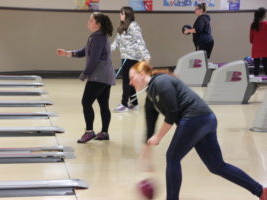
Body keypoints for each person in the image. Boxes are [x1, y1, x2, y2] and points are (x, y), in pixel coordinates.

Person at [129, 61, 267, 200]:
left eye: (132, 77)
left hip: (196, 119)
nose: (130, 82)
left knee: (172, 157)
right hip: (204, 120)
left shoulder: (161, 82)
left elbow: (172, 113)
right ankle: (261, 191)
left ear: (142, 74)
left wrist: (159, 137)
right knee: (216, 166)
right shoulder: (150, 97)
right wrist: (145, 158)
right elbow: (149, 130)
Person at [57, 12, 115, 143]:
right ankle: (104, 132)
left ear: (98, 24)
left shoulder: (98, 38)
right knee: (103, 104)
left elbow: (93, 59)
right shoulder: (97, 36)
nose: (88, 22)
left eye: (90, 20)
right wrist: (67, 53)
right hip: (105, 76)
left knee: (86, 102)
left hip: (99, 76)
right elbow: (84, 51)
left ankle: (89, 132)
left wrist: (85, 73)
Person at [111, 6, 151, 113]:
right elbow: (116, 42)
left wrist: (146, 57)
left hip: (132, 58)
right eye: (120, 13)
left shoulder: (133, 26)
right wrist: (106, 50)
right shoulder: (122, 27)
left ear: (128, 15)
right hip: (125, 57)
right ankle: (134, 103)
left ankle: (124, 104)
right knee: (131, 81)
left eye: (122, 13)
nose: (120, 15)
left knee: (126, 81)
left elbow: (140, 42)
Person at [250, 7, 267, 76]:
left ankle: (255, 84)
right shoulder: (266, 24)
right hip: (265, 50)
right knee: (266, 67)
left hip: (256, 50)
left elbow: (251, 39)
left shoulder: (253, 25)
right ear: (263, 15)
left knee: (256, 68)